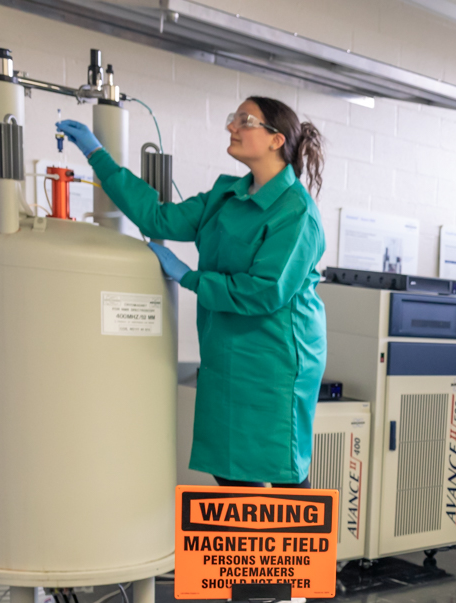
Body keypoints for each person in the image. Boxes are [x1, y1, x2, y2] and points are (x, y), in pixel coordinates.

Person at [57, 97, 327, 488]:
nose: (231, 127)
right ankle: (243, 550)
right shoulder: (226, 196)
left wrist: (189, 277)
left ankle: (293, 552)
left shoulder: (296, 212)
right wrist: (97, 155)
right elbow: (157, 217)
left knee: (280, 476)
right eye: (232, 117)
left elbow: (264, 292)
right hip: (228, 351)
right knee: (230, 470)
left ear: (275, 140)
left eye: (244, 120)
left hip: (277, 360)